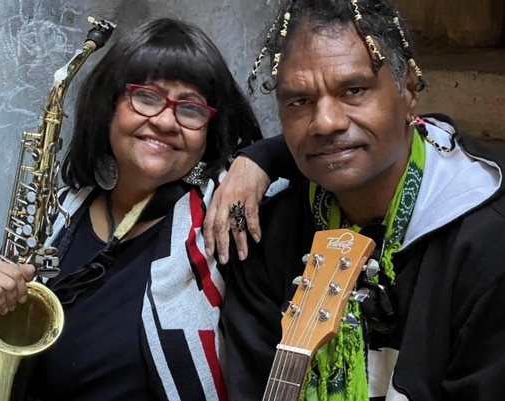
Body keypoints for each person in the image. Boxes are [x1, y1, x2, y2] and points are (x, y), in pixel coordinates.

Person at [0, 17, 262, 401]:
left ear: (210, 131)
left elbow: (322, 163)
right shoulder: (58, 215)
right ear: (109, 107)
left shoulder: (217, 218)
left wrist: (257, 162)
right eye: (146, 96)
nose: (163, 121)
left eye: (190, 109)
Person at [203, 0, 505, 400]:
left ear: (410, 90)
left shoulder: (488, 239)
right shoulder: (266, 235)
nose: (326, 122)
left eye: (354, 90)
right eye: (299, 101)